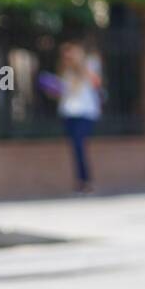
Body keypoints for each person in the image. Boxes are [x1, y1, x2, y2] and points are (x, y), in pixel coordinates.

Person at [51, 40, 102, 193]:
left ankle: (86, 181)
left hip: (85, 112)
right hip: (68, 112)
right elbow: (62, 93)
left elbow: (96, 82)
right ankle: (81, 181)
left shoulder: (90, 64)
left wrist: (79, 68)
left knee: (79, 145)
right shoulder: (64, 71)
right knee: (75, 147)